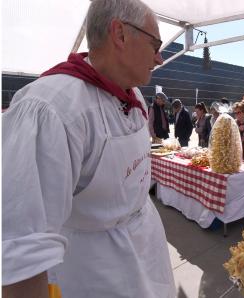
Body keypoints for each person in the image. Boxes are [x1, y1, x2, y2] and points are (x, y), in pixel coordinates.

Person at [2, 1, 176, 297]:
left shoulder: (134, 95)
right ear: (119, 34)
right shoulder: (50, 108)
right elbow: (23, 252)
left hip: (146, 253)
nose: (159, 58)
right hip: (96, 273)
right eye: (154, 44)